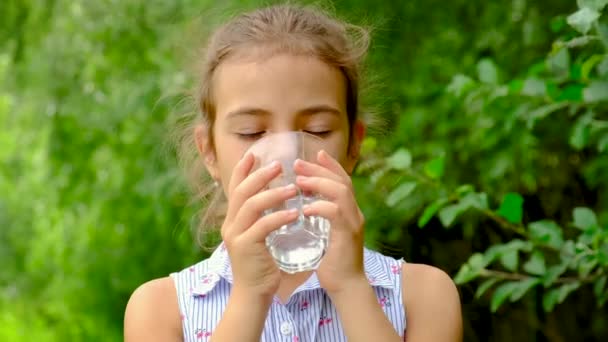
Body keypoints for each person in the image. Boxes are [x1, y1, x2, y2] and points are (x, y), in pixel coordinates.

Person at [124, 3, 462, 341]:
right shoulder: (161, 309)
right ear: (209, 152)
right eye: (252, 133)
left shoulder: (421, 295)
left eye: (316, 130)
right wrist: (249, 296)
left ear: (353, 146)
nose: (286, 152)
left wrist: (350, 287)